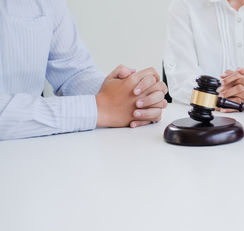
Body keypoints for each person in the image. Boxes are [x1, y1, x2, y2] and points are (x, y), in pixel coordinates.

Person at [0, 0, 168, 141]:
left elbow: (73, 72)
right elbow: (99, 107)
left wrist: (129, 95)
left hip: (31, 157)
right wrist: (97, 108)